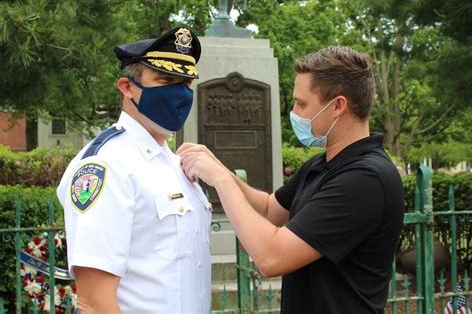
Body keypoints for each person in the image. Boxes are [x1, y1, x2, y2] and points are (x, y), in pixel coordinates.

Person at [178, 46, 405, 313]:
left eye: (302, 103)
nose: (294, 112)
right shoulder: (323, 163)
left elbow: (272, 257)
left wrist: (220, 181)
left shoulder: (366, 179)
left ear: (337, 106)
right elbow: (268, 209)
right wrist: (221, 168)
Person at [57, 27, 213, 313]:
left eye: (186, 83)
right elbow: (94, 301)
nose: (179, 93)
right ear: (127, 88)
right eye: (166, 80)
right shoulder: (107, 165)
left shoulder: (175, 164)